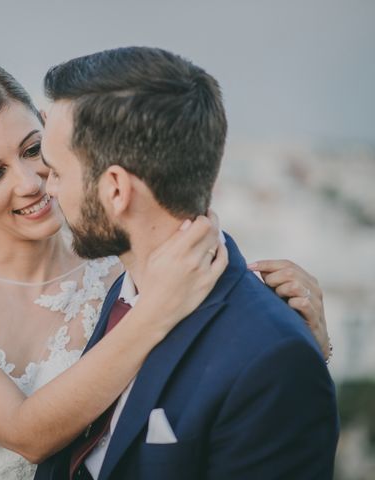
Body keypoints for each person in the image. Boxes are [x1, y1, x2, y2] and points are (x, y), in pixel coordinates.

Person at [0, 63, 330, 480]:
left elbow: (226, 365)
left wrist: (304, 339)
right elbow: (26, 434)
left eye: (33, 149)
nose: (30, 181)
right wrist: (156, 311)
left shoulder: (116, 262)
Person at [29, 47, 338, 479]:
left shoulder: (272, 359)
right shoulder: (123, 290)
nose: (50, 191)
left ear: (116, 189)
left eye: (57, 172)